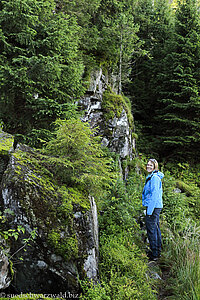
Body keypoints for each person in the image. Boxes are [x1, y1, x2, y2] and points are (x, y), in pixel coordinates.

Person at [142, 158, 164, 261]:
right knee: (155, 228)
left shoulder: (154, 178)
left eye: (151, 165)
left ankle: (154, 254)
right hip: (155, 206)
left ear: (155, 166)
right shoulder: (153, 177)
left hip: (153, 207)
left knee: (152, 230)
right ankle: (157, 251)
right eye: (148, 165)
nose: (148, 166)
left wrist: (149, 211)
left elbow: (154, 195)